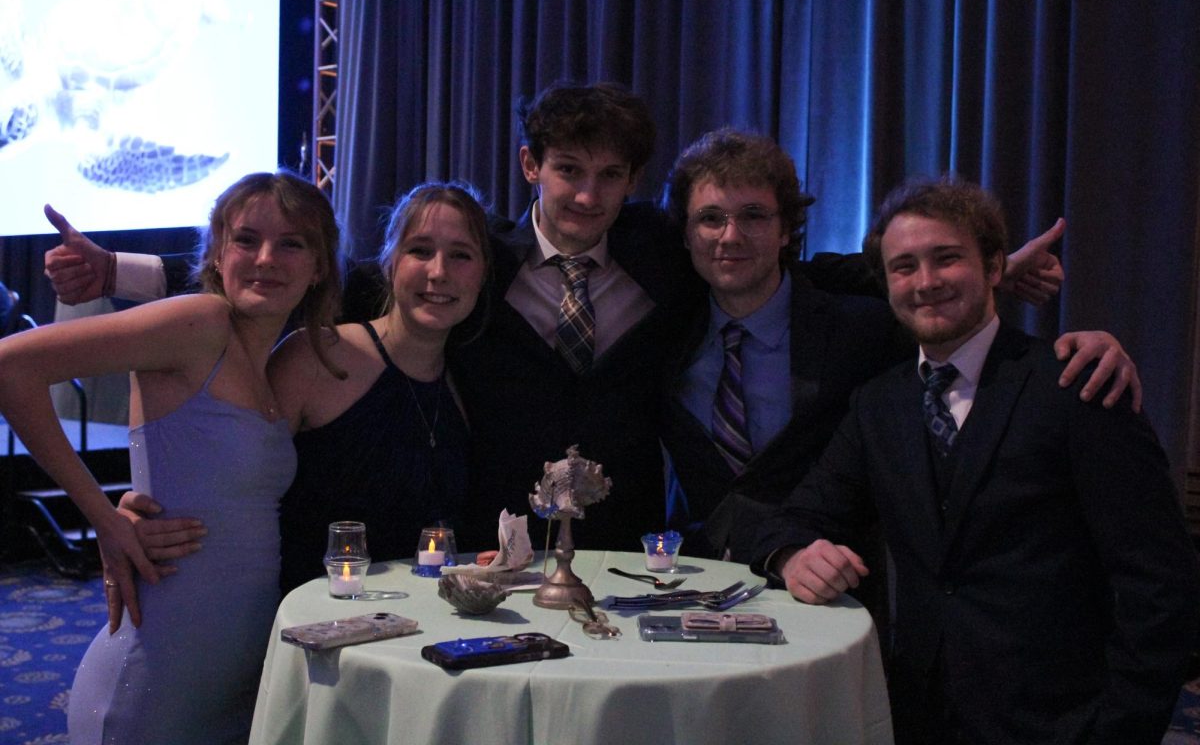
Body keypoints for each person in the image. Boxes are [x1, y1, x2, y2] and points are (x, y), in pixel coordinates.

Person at [44, 82, 1081, 553]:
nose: (586, 197)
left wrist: (984, 283)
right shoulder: (469, 258)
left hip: (629, 535)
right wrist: (124, 269)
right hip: (482, 531)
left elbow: (806, 268)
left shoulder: (665, 256)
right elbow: (304, 276)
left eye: (608, 177)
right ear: (531, 166)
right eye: (567, 172)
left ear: (631, 183)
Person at [752, 176, 1200, 745]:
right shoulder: (879, 404)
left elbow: (1160, 581)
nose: (926, 282)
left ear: (994, 268)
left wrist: (1120, 726)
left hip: (1062, 723)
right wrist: (792, 554)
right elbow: (799, 515)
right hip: (916, 717)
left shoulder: (1077, 388)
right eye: (904, 266)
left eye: (946, 259)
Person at [661, 129, 1142, 564]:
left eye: (754, 216)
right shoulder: (660, 330)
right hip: (694, 573)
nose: (731, 236)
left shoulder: (863, 329)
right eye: (710, 218)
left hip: (830, 581)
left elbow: (948, 323)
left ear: (786, 228)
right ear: (685, 233)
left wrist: (1091, 343)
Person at [0, 172, 342, 744]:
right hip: (155, 670)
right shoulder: (198, 325)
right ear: (216, 253)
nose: (266, 258)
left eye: (291, 243)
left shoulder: (274, 364)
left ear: (319, 267)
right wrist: (105, 519)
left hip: (230, 672)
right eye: (245, 240)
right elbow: (9, 366)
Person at [269, 182, 489, 592]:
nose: (439, 272)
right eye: (420, 250)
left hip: (420, 629)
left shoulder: (471, 381)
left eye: (461, 255)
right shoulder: (319, 355)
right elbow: (233, 485)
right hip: (310, 621)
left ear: (482, 274)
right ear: (389, 262)